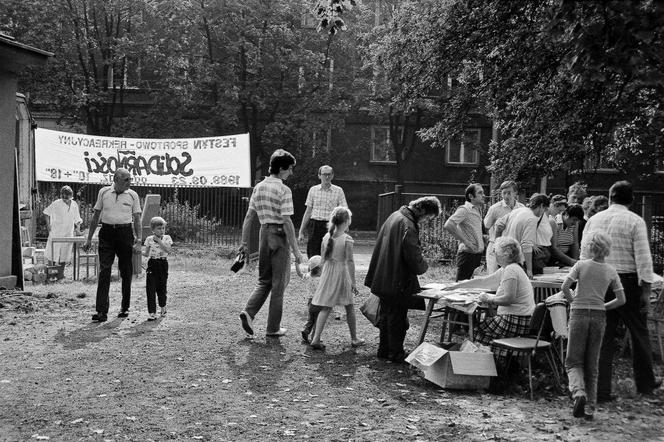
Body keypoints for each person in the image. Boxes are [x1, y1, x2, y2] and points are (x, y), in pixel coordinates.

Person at [582, 180, 661, 401]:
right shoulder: (634, 221)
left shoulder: (594, 220)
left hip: (599, 280)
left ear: (609, 198)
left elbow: (584, 254)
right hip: (626, 281)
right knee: (638, 332)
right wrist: (646, 290)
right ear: (631, 200)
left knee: (602, 336)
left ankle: (600, 389)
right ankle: (645, 384)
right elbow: (644, 259)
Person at [365, 196, 441, 363]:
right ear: (421, 210)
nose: (426, 221)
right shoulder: (408, 224)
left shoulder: (395, 216)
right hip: (396, 279)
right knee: (397, 318)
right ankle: (395, 353)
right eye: (427, 217)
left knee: (386, 315)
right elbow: (413, 255)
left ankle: (384, 350)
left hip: (384, 275)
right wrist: (423, 266)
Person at [238, 149, 304, 338]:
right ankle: (273, 328)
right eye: (290, 169)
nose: (291, 173)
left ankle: (248, 312)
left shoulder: (258, 187)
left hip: (263, 233)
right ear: (282, 168)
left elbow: (249, 216)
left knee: (264, 280)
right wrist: (297, 251)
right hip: (279, 235)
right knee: (279, 283)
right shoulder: (284, 190)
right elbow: (287, 221)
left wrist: (244, 242)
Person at [561, 231, 625, 420]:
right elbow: (621, 299)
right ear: (607, 249)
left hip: (579, 314)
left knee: (573, 360)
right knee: (592, 363)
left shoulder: (580, 265)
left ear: (589, 247)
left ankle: (578, 392)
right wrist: (603, 306)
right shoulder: (611, 271)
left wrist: (573, 301)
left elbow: (565, 287)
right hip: (599, 317)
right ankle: (590, 406)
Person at [449, 236, 535, 357]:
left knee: (477, 332)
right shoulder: (510, 268)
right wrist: (458, 285)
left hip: (516, 319)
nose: (494, 255)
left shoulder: (511, 270)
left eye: (495, 252)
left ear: (505, 254)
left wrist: (489, 299)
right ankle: (497, 361)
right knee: (481, 330)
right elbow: (484, 281)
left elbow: (508, 298)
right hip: (520, 318)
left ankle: (486, 364)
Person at [83, 168, 142, 322]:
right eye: (126, 179)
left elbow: (137, 219)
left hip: (125, 233)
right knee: (104, 271)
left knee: (126, 271)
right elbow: (96, 216)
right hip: (107, 233)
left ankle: (125, 307)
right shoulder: (104, 192)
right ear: (116, 179)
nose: (130, 182)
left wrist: (139, 240)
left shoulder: (133, 195)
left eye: (130, 179)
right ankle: (101, 311)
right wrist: (89, 238)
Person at [309, 207, 365, 350]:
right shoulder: (347, 239)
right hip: (341, 274)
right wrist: (353, 282)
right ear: (347, 221)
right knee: (350, 306)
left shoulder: (326, 237)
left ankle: (316, 338)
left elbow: (323, 259)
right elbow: (350, 261)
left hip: (328, 272)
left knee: (326, 307)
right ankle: (354, 338)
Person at [494, 193, 550, 278]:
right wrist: (529, 270)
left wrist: (496, 245)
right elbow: (526, 245)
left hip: (504, 256)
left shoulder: (517, 210)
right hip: (517, 260)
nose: (543, 213)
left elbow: (498, 225)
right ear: (541, 206)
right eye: (545, 209)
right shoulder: (532, 219)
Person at [298, 165, 348, 258]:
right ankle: (314, 272)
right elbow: (308, 211)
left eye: (329, 174)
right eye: (324, 174)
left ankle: (328, 272)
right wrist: (301, 231)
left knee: (330, 255)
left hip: (331, 226)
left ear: (332, 175)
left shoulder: (338, 190)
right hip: (315, 225)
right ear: (319, 176)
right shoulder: (313, 190)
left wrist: (345, 226)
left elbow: (344, 210)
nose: (327, 177)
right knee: (313, 254)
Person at [444, 183, 486, 281]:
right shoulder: (465, 209)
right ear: (471, 196)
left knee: (471, 289)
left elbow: (472, 230)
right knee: (460, 289)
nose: (483, 195)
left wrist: (483, 238)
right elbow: (449, 225)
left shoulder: (477, 209)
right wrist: (466, 242)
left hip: (476, 255)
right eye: (480, 193)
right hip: (467, 255)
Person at [142, 216, 173, 321]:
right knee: (150, 288)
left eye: (163, 228)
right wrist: (138, 252)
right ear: (153, 229)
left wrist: (159, 241)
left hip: (163, 263)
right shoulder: (149, 239)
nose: (162, 230)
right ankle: (152, 312)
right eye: (159, 228)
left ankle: (163, 306)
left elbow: (168, 250)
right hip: (152, 263)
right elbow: (146, 253)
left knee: (162, 286)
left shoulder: (167, 238)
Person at [43, 185, 82, 266]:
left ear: (71, 196)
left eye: (67, 197)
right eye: (63, 196)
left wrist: (78, 229)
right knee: (53, 253)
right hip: (56, 231)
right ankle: (51, 273)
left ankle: (61, 274)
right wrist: (48, 226)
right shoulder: (56, 203)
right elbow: (46, 212)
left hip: (68, 232)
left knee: (65, 254)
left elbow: (77, 219)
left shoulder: (74, 204)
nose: (65, 199)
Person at [301, 255, 322, 343]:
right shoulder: (321, 279)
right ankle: (315, 337)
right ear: (319, 268)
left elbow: (300, 274)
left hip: (310, 301)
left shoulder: (308, 276)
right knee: (318, 320)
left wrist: (297, 265)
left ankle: (306, 330)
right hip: (319, 302)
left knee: (311, 319)